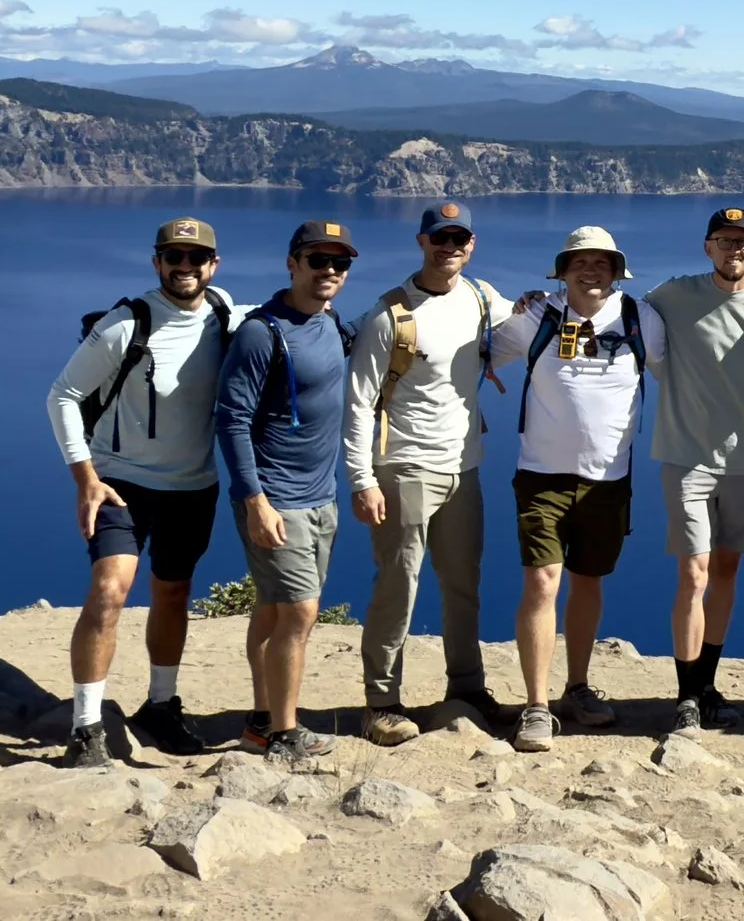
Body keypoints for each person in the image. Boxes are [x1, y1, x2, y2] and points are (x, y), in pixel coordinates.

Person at [45, 215, 247, 767]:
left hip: (193, 486)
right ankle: (87, 727)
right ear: (156, 262)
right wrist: (85, 478)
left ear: (213, 265)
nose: (185, 267)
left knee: (173, 592)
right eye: (173, 257)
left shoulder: (226, 315)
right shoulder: (124, 324)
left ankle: (160, 705)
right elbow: (62, 395)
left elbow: (283, 324)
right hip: (122, 485)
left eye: (196, 258)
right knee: (111, 590)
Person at [341, 201, 513, 746]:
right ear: (422, 242)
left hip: (465, 466)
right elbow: (357, 402)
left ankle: (466, 689)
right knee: (399, 586)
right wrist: (361, 479)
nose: (450, 248)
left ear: (473, 244)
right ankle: (381, 702)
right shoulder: (389, 316)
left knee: (464, 584)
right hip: (404, 467)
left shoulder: (483, 299)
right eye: (440, 239)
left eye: (460, 238)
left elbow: (528, 329)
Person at [489, 225, 665, 751]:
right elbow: (472, 355)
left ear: (617, 272)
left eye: (602, 263)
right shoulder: (536, 316)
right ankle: (537, 706)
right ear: (562, 271)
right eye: (579, 262)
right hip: (541, 475)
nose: (591, 271)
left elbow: (684, 370)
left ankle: (577, 688)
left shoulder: (640, 318)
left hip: (608, 480)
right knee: (543, 582)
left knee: (589, 582)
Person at [645, 205, 744, 733]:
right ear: (706, 246)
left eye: (743, 242)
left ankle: (708, 684)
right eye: (723, 240)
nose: (733, 250)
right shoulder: (670, 296)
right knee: (694, 573)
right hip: (686, 459)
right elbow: (613, 315)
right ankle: (687, 695)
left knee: (727, 573)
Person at [214, 218, 358, 765]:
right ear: (292, 263)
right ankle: (284, 732)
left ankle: (259, 719)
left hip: (321, 496)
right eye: (316, 260)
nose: (328, 271)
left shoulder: (328, 321)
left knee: (275, 610)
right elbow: (231, 419)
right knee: (300, 613)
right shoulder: (261, 332)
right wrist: (255, 502)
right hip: (277, 500)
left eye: (339, 263)